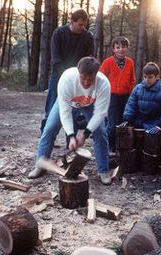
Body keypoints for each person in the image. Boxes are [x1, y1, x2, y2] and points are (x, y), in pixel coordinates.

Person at [29, 57, 112, 185]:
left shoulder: (104, 84)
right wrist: (71, 136)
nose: (86, 82)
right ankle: (40, 165)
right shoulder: (67, 78)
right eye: (83, 78)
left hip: (91, 104)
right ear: (78, 72)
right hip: (68, 103)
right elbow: (65, 112)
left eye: (90, 79)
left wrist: (85, 135)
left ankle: (103, 170)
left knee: (100, 132)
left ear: (96, 75)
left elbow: (100, 114)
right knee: (50, 128)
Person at [40, 9, 94, 133]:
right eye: (80, 24)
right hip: (58, 75)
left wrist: (81, 77)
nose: (83, 27)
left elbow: (88, 59)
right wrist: (66, 77)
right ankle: (46, 134)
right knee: (52, 105)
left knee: (75, 108)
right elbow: (56, 59)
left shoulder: (87, 37)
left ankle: (71, 139)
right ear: (72, 21)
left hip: (78, 78)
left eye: (84, 25)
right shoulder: (59, 33)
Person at [121, 62, 161, 173]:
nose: (147, 80)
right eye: (145, 77)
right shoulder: (138, 89)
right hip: (140, 120)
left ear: (157, 77)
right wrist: (127, 119)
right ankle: (132, 162)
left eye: (150, 77)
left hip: (156, 121)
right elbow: (131, 105)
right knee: (127, 135)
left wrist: (160, 125)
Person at [99, 36, 136, 153]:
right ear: (113, 49)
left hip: (125, 97)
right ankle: (108, 148)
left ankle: (119, 147)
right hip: (112, 96)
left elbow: (132, 79)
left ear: (127, 48)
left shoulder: (130, 62)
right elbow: (100, 77)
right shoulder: (108, 62)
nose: (121, 49)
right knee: (112, 123)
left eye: (123, 47)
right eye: (118, 47)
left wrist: (130, 91)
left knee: (123, 122)